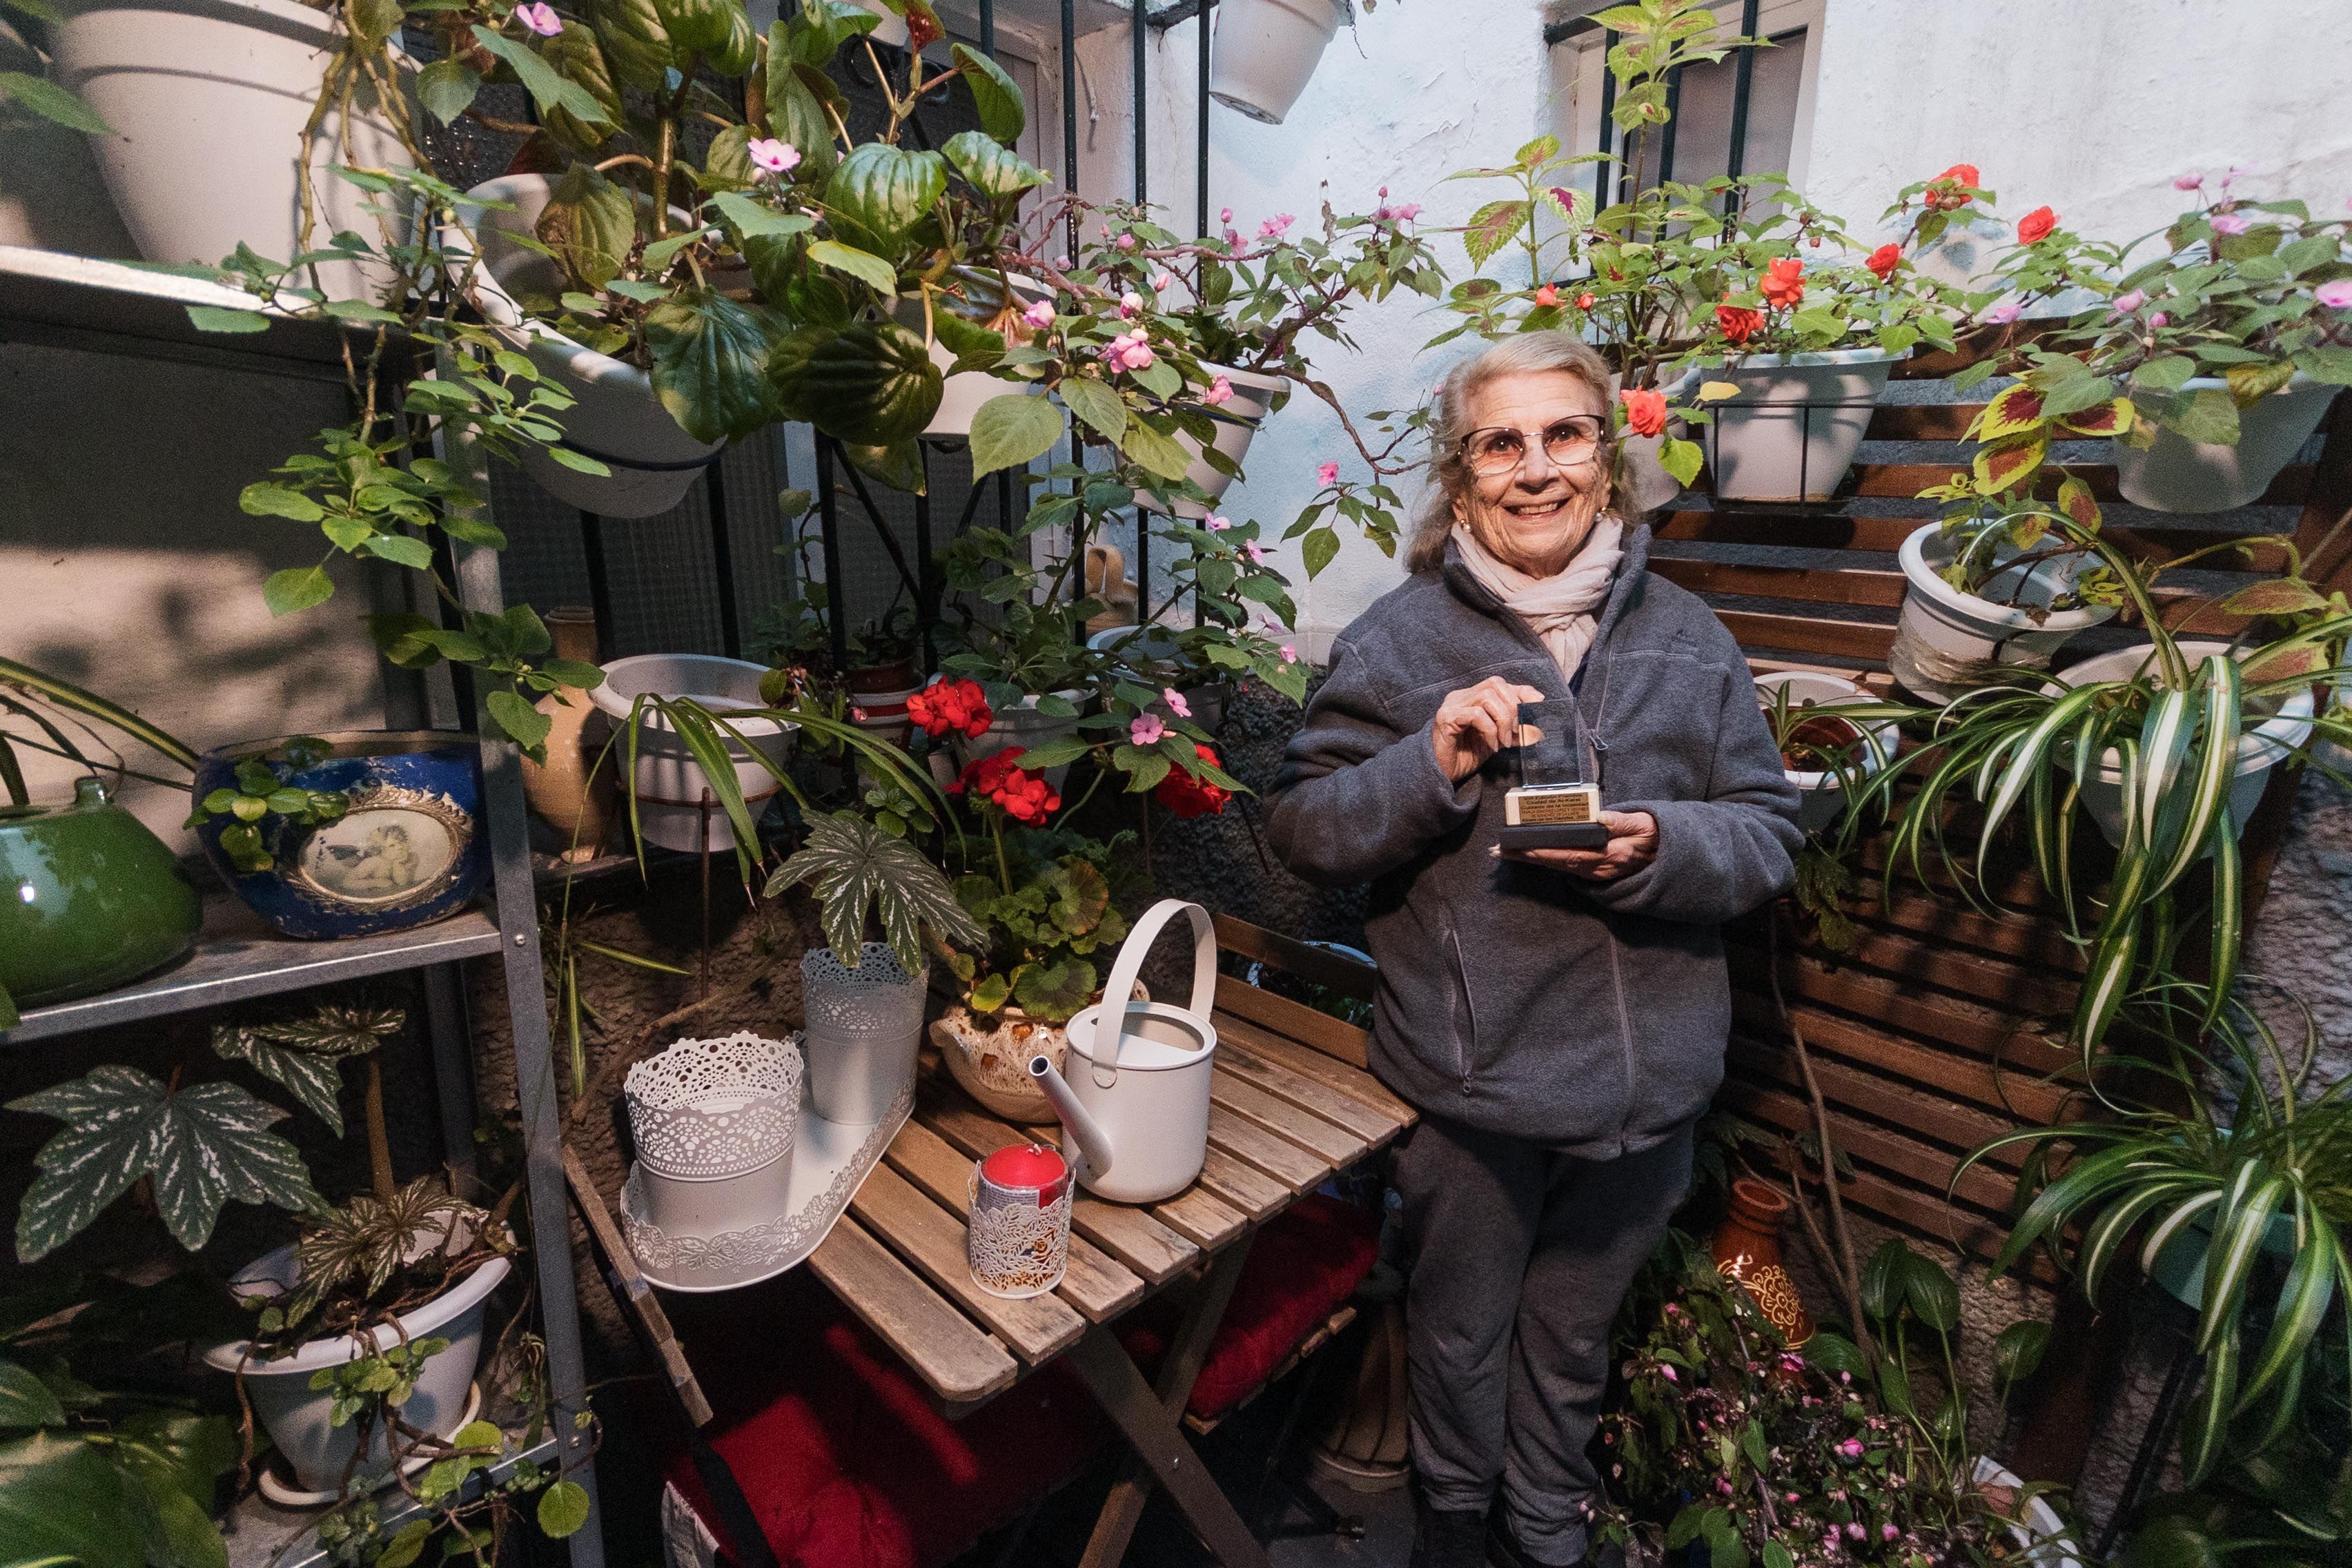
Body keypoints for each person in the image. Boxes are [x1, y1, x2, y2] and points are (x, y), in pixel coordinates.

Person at [1264, 333, 1801, 1568]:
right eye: (1501, 444)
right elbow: (1302, 827)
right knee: (1458, 1337)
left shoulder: (1690, 639)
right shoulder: (1400, 645)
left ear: (1607, 468)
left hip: (1647, 1090)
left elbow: (1769, 833)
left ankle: (1545, 1532)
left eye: (1564, 436)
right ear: (1462, 486)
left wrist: (1660, 845)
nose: (1537, 468)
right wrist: (1426, 765)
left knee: (1572, 1339)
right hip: (1476, 1091)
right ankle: (1455, 1528)